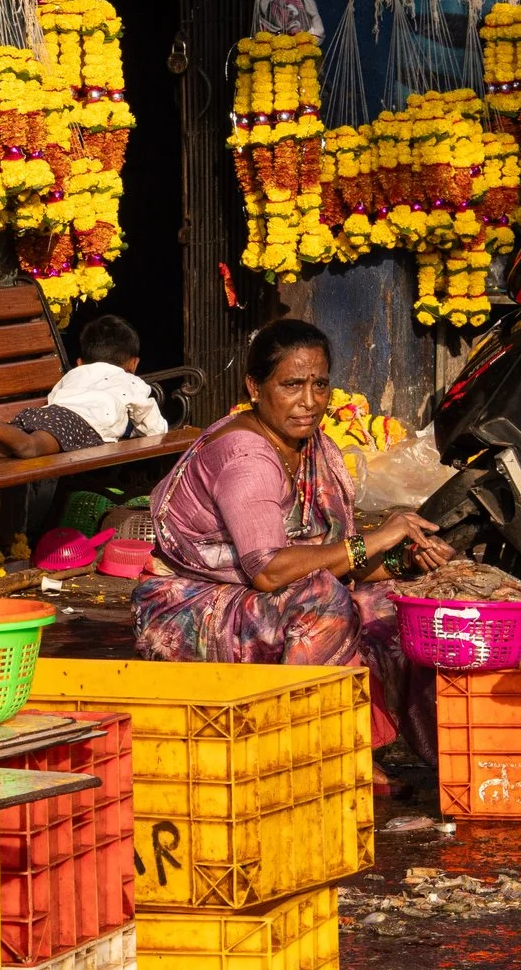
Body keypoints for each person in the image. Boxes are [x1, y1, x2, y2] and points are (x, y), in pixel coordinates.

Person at [133, 318, 454, 758]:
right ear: (254, 386)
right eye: (292, 385)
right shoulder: (245, 456)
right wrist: (377, 538)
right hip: (188, 603)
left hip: (275, 587)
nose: (309, 402)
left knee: (404, 603)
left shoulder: (311, 446)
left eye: (320, 385)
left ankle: (415, 747)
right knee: (324, 603)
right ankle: (313, 750)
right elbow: (269, 571)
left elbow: (334, 557)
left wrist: (406, 560)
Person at [0, 314, 166, 463]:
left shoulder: (74, 374)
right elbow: (154, 430)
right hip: (78, 423)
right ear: (134, 364)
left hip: (48, 414)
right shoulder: (131, 381)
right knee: (29, 448)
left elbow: (56, 396)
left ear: (79, 362)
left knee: (7, 448)